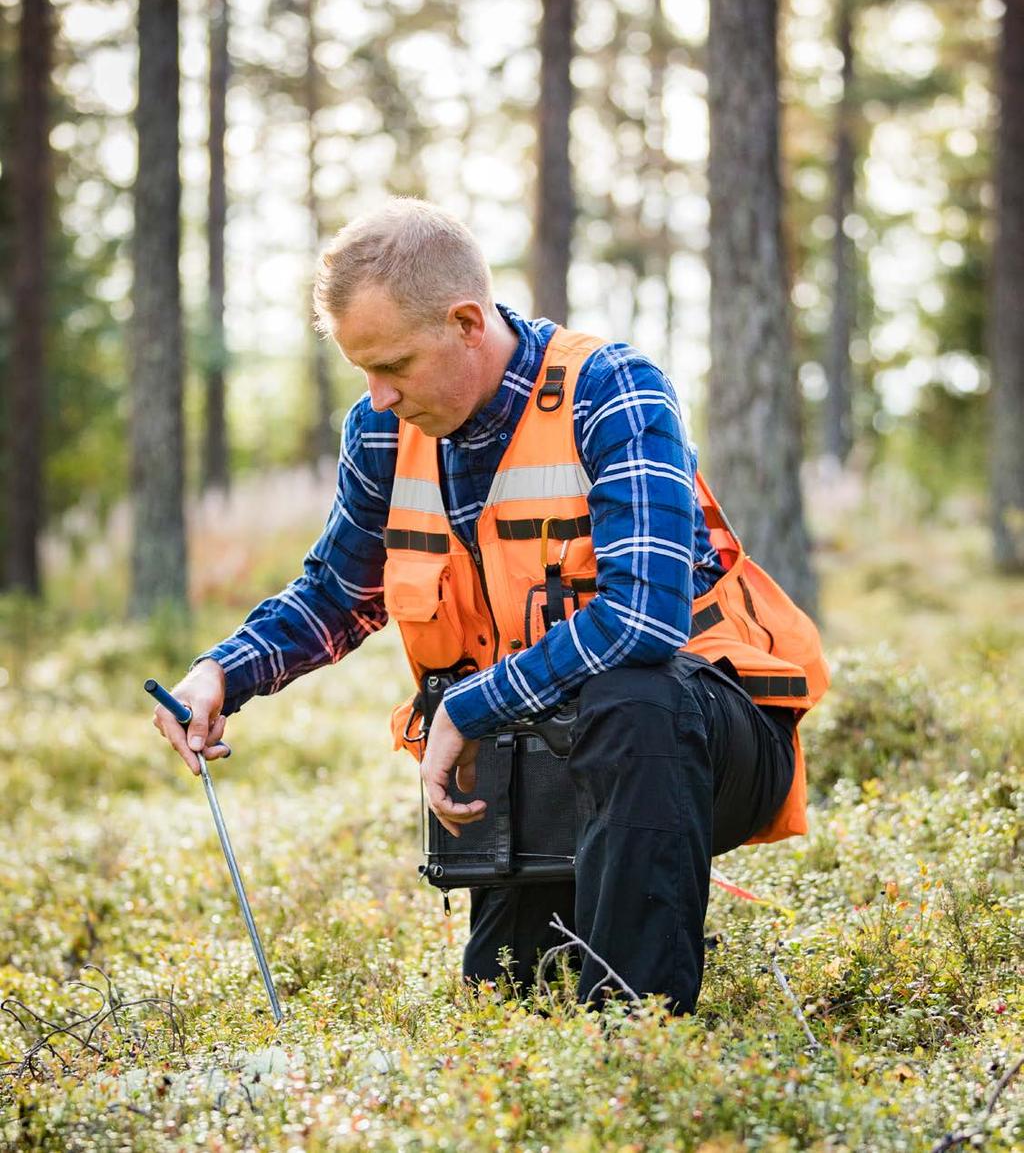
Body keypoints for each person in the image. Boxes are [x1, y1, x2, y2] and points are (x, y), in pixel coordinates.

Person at [153, 198, 828, 1014]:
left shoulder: (611, 388)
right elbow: (338, 590)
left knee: (632, 694)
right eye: (362, 370)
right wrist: (221, 672)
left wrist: (473, 704)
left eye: (394, 365)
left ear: (467, 322)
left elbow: (644, 619)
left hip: (707, 736)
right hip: (534, 770)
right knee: (509, 1001)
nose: (377, 397)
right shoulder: (376, 432)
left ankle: (639, 1052)